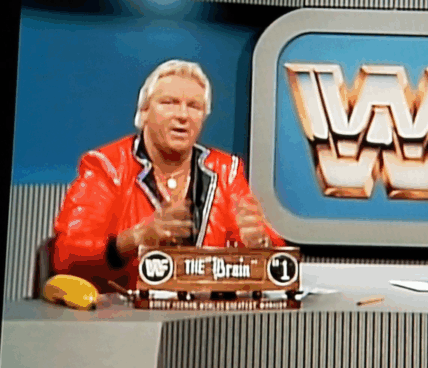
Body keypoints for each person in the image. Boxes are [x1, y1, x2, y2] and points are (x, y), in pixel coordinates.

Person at [52, 59, 285, 293]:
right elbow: (67, 256)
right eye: (169, 103)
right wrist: (135, 239)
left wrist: (261, 244)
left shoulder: (226, 171)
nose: (183, 115)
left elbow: (280, 264)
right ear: (144, 112)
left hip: (206, 310)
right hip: (125, 309)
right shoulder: (107, 166)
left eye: (194, 106)